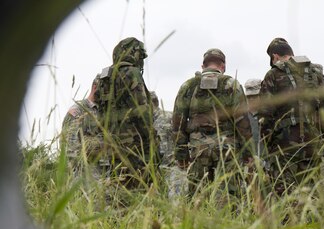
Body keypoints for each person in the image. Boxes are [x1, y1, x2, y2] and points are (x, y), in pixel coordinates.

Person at [172, 48, 252, 197]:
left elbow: (178, 123)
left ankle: (197, 220)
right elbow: (242, 121)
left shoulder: (188, 86)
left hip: (198, 149)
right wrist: (248, 152)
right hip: (227, 149)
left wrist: (181, 155)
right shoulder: (231, 84)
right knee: (230, 197)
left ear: (203, 66)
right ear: (223, 66)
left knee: (198, 196)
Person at [258, 37, 324, 194]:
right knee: (312, 194)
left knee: (285, 194)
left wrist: (267, 146)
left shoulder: (273, 74)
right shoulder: (317, 75)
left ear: (275, 57)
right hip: (313, 144)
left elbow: (265, 116)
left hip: (283, 147)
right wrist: (323, 143)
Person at [95, 37, 159, 189]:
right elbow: (142, 111)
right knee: (139, 188)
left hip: (111, 143)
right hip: (134, 145)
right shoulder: (132, 73)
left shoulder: (105, 77)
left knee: (117, 187)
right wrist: (151, 140)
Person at [61, 74, 104, 178]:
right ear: (95, 87)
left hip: (102, 174)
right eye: (104, 88)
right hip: (83, 175)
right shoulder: (79, 109)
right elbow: (68, 144)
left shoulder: (104, 112)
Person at [244, 78, 262, 157]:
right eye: (248, 97)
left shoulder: (270, 115)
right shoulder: (241, 116)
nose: (251, 99)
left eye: (254, 96)